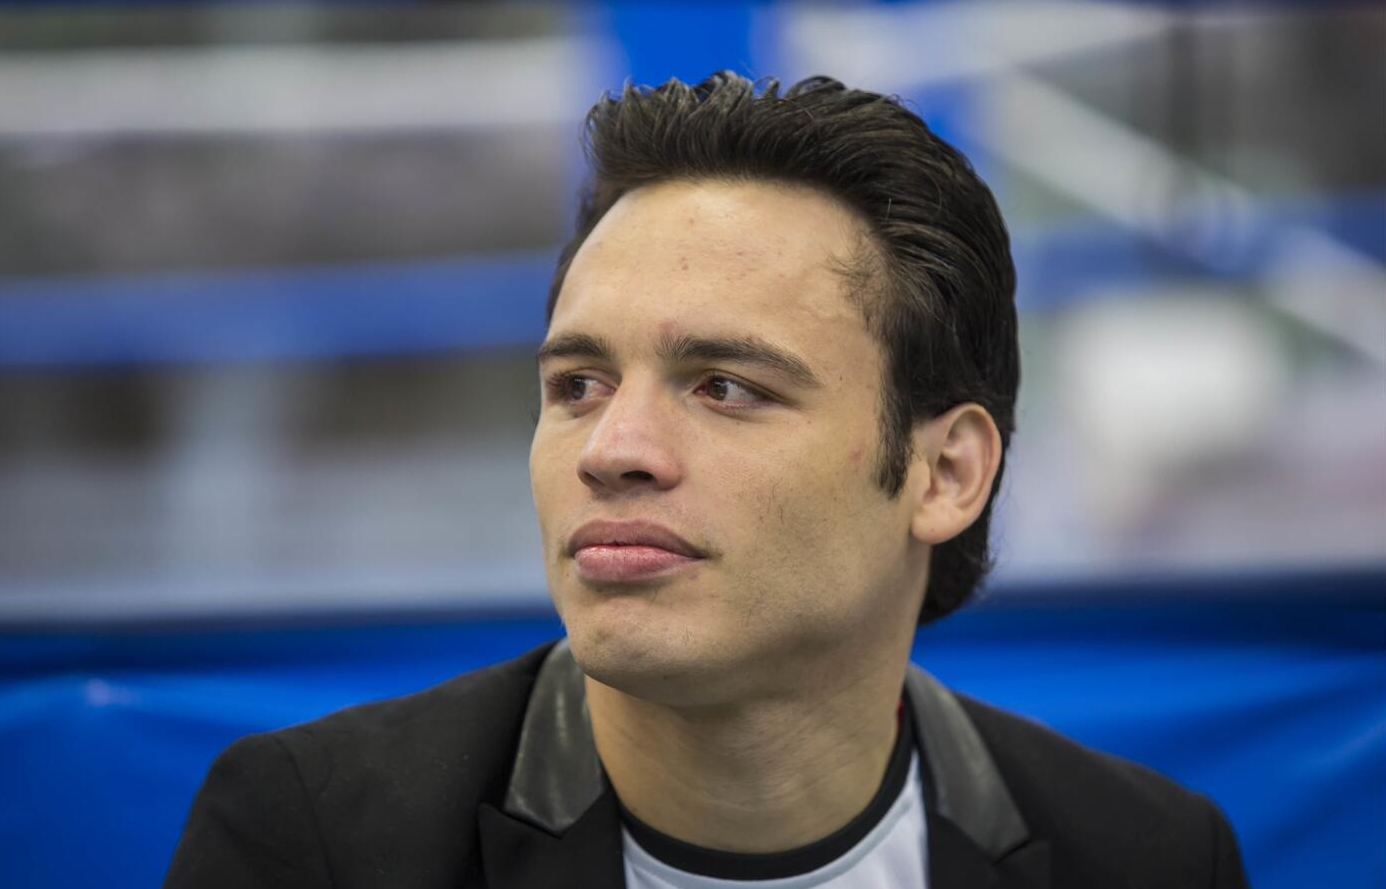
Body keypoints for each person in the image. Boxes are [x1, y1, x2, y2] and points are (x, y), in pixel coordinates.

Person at [163, 72, 1249, 889]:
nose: (610, 448)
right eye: (578, 383)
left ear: (944, 472)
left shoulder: (1145, 858)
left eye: (725, 387)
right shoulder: (319, 843)